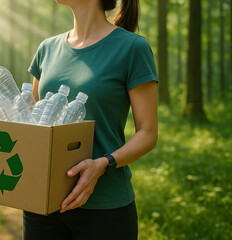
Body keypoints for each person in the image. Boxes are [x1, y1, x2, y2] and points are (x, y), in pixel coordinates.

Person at [24, 0, 158, 239]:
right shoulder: (47, 48)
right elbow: (32, 122)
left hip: (104, 208)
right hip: (42, 204)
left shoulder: (132, 48)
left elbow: (147, 133)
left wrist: (102, 164)